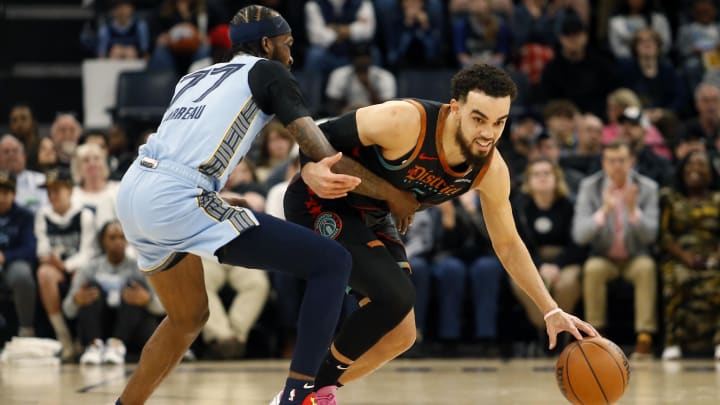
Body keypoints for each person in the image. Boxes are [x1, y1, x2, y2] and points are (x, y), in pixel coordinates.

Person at [113, 5, 417, 405]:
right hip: (175, 197)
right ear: (267, 43)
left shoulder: (195, 77)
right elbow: (319, 149)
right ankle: (298, 395)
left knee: (188, 317)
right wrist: (393, 194)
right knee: (332, 262)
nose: (291, 56)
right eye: (288, 45)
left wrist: (208, 196)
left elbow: (181, 148)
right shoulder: (269, 71)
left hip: (135, 188)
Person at [284, 63, 598, 403]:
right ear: (455, 108)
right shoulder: (404, 122)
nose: (488, 133)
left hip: (372, 215)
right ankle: (307, 393)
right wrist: (310, 168)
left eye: (499, 122)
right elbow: (315, 134)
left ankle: (304, 393)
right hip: (321, 201)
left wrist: (550, 309)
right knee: (398, 295)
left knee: (400, 336)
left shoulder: (491, 170)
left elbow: (507, 244)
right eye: (479, 119)